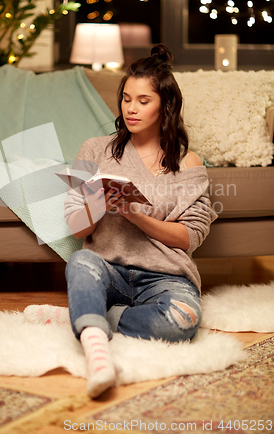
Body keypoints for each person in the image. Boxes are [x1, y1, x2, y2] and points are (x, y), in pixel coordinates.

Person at [25, 44, 217, 398]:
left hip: (165, 276)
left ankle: (92, 314)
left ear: (166, 106)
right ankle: (98, 355)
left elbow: (190, 237)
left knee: (184, 322)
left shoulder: (188, 162)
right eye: (127, 98)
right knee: (82, 260)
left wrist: (135, 215)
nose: (131, 108)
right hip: (107, 269)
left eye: (143, 100)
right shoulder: (95, 150)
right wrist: (96, 205)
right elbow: (77, 229)